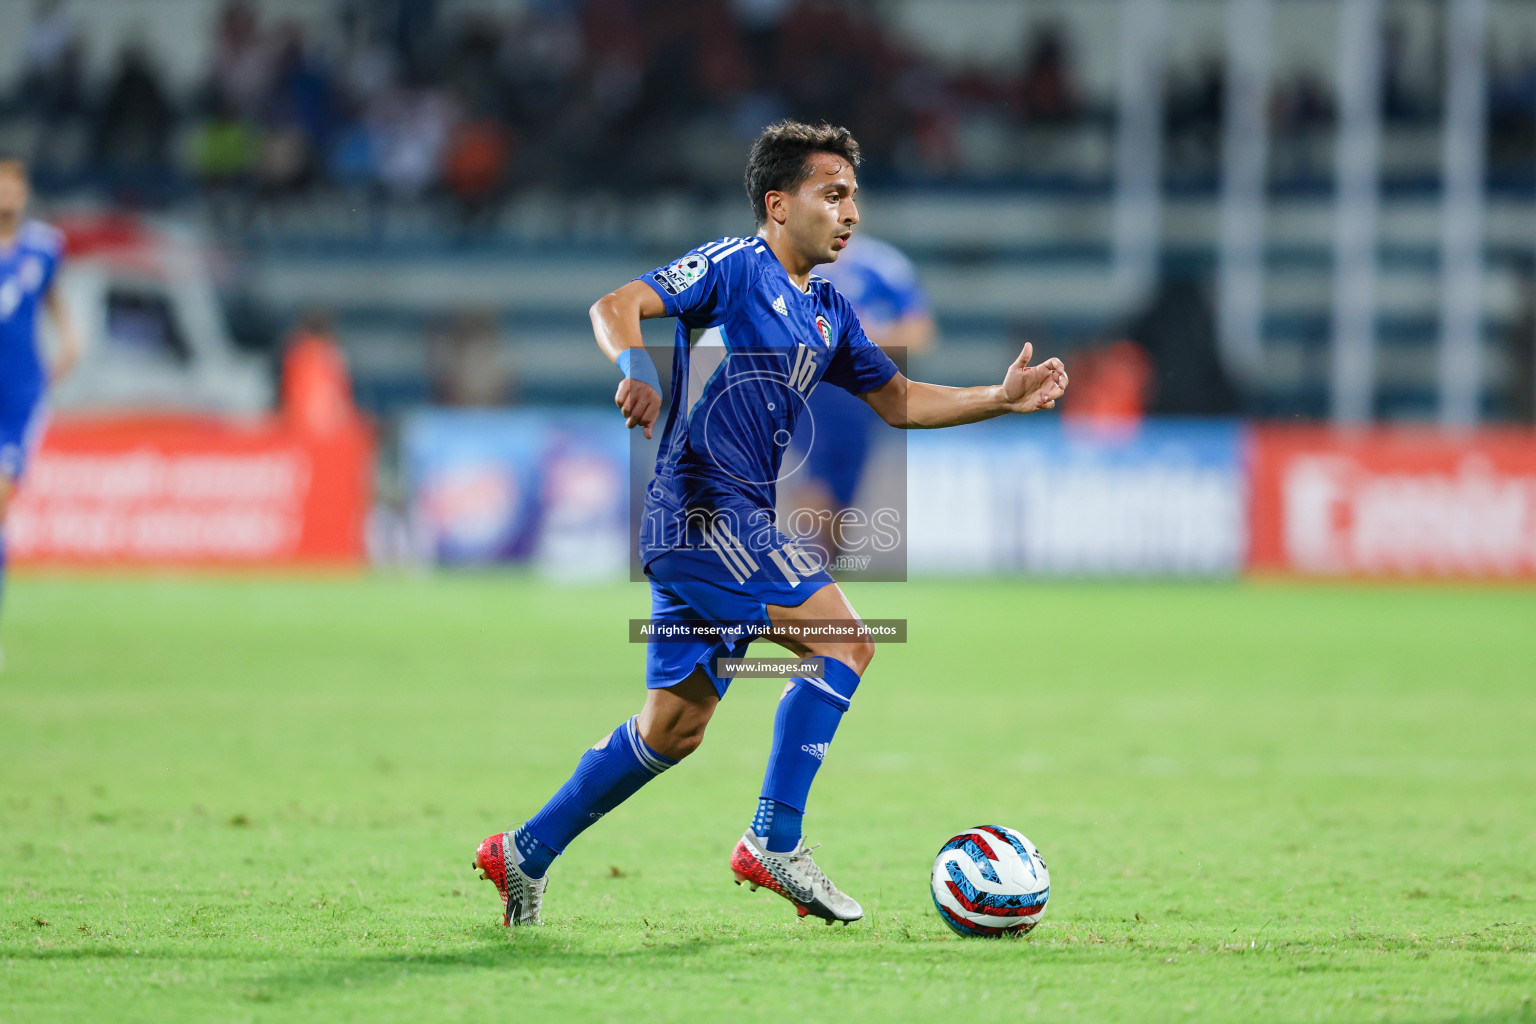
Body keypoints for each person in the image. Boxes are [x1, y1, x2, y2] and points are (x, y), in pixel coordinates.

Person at [473, 121, 1068, 926]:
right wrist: (636, 365)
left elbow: (898, 400)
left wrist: (997, 397)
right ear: (778, 205)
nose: (850, 211)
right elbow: (615, 305)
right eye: (833, 194)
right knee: (847, 640)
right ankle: (773, 840)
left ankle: (524, 852)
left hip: (728, 523)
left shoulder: (829, 312)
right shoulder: (731, 268)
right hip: (703, 513)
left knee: (673, 730)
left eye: (854, 194)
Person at [786, 232, 934, 565]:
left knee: (843, 494)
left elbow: (921, 332)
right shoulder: (791, 264)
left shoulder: (883, 266)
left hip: (863, 395)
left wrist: (865, 338)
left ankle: (825, 564)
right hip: (808, 387)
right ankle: (808, 564)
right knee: (814, 476)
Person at [0, 159, 80, 664]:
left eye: (14, 186)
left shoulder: (43, 249)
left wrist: (60, 362)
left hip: (17, 399)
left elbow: (62, 321)